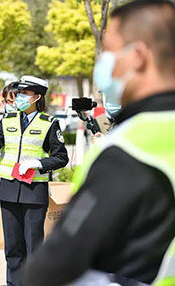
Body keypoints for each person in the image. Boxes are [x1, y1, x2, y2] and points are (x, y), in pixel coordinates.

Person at [21, 1, 175, 285]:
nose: (103, 64)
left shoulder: (129, 148)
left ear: (138, 56)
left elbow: (53, 265)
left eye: (109, 53)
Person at [0, 75, 68, 286]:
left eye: (24, 94)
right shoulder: (7, 120)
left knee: (33, 247)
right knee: (12, 248)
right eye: (18, 93)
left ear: (37, 97)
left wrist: (39, 163)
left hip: (34, 191)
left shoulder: (49, 123)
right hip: (9, 190)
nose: (19, 97)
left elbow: (61, 157)